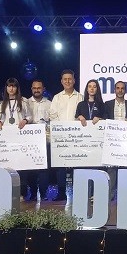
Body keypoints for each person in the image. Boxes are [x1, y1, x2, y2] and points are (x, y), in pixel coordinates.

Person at [0, 77, 34, 200]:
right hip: (7, 139)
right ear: (6, 88)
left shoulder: (23, 101)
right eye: (9, 86)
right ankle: (7, 192)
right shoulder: (1, 103)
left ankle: (21, 193)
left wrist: (25, 120)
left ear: (17, 88)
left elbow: (30, 116)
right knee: (7, 167)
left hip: (20, 138)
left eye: (14, 86)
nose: (11, 88)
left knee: (20, 167)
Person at [48, 69, 83, 201]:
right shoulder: (57, 97)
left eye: (70, 79)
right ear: (61, 81)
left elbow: (83, 115)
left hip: (76, 136)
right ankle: (61, 192)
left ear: (74, 80)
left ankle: (78, 192)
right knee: (60, 165)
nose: (67, 81)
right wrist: (62, 129)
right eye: (65, 79)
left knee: (77, 163)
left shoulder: (80, 97)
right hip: (61, 136)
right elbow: (53, 115)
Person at [103, 81, 127, 199]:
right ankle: (110, 194)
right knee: (111, 168)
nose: (120, 90)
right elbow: (104, 120)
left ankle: (124, 194)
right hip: (111, 139)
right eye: (118, 88)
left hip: (126, 140)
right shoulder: (107, 104)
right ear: (114, 90)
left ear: (125, 90)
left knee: (125, 167)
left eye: (122, 88)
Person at [24, 79, 52, 201]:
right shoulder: (26, 103)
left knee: (44, 168)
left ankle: (44, 193)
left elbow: (52, 120)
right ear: (31, 89)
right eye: (34, 88)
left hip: (45, 139)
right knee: (31, 168)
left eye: (39, 88)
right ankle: (33, 193)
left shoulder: (49, 103)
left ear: (43, 89)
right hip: (30, 140)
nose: (36, 90)